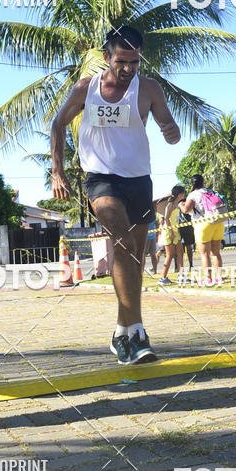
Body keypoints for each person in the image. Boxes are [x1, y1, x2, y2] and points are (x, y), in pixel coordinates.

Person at [51, 25, 181, 364]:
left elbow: (170, 128)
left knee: (134, 258)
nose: (127, 69)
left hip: (139, 181)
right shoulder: (86, 89)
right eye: (121, 61)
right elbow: (58, 124)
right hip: (100, 180)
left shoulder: (148, 89)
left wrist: (171, 131)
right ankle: (136, 332)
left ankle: (122, 333)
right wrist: (57, 170)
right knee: (121, 242)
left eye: (134, 62)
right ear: (107, 57)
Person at [179, 174, 225, 285]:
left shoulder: (193, 194)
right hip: (218, 222)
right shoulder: (211, 192)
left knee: (205, 254)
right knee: (216, 253)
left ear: (192, 184)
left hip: (203, 225)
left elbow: (186, 209)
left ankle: (208, 279)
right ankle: (219, 277)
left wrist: (180, 204)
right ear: (203, 182)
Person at [158, 185, 185, 285]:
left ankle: (181, 276)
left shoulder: (177, 204)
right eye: (183, 193)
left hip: (175, 230)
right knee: (170, 255)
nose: (184, 195)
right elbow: (167, 219)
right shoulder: (170, 204)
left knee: (180, 253)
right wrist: (171, 232)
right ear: (179, 194)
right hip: (169, 231)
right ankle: (163, 278)